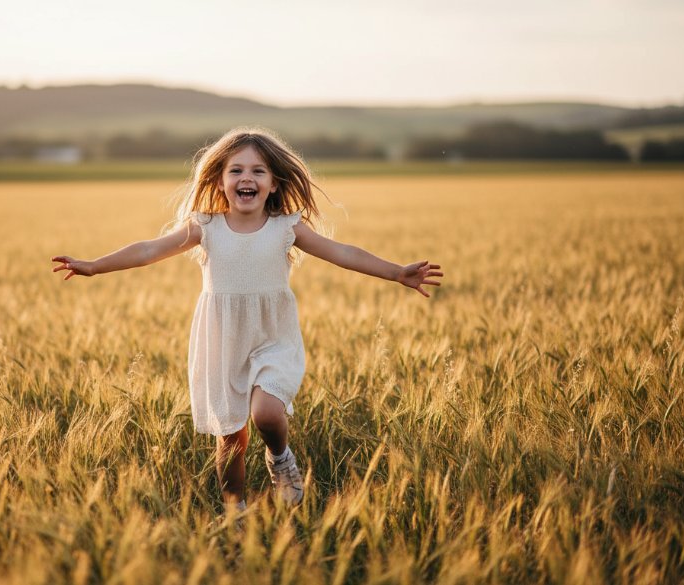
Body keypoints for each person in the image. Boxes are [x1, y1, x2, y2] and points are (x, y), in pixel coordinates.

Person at [52, 127, 443, 512]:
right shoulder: (204, 227)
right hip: (222, 341)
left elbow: (343, 252)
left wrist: (396, 272)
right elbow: (147, 251)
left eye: (258, 171)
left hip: (273, 336)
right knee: (231, 440)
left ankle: (281, 459)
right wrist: (94, 266)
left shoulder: (285, 227)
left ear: (274, 184)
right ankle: (234, 511)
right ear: (220, 181)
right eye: (236, 170)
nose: (246, 178)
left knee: (267, 414)